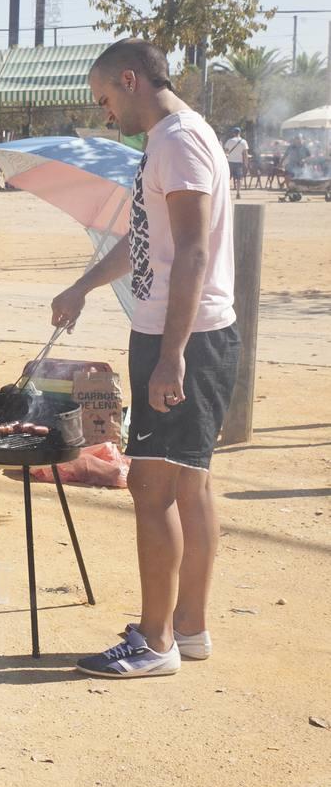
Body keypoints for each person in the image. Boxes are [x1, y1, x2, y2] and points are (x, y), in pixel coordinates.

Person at [51, 38, 239, 678]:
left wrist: (172, 355)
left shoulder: (178, 141)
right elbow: (144, 242)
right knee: (191, 484)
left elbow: (190, 252)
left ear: (129, 80)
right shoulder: (176, 140)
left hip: (180, 338)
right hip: (186, 335)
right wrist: (81, 285)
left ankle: (154, 641)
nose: (106, 115)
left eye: (105, 100)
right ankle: (188, 628)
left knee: (153, 488)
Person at [222, 127, 248, 200]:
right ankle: (238, 192)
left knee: (228, 178)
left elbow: (226, 151)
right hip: (239, 162)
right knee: (239, 179)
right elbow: (245, 154)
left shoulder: (229, 141)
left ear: (233, 133)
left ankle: (227, 193)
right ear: (240, 133)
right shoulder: (243, 142)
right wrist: (246, 163)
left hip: (230, 162)